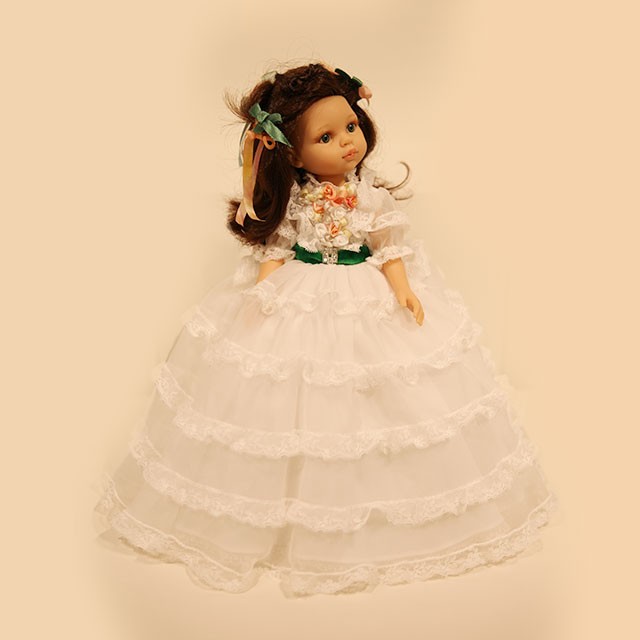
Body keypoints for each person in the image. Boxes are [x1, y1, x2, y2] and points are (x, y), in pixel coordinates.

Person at [93, 62, 559, 598]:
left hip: (364, 293)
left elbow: (388, 248)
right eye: (326, 137)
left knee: (383, 394)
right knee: (288, 392)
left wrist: (403, 289)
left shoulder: (371, 196)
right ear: (292, 154)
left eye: (351, 127)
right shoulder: (298, 199)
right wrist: (264, 289)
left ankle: (383, 503)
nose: (346, 143)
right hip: (303, 289)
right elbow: (276, 248)